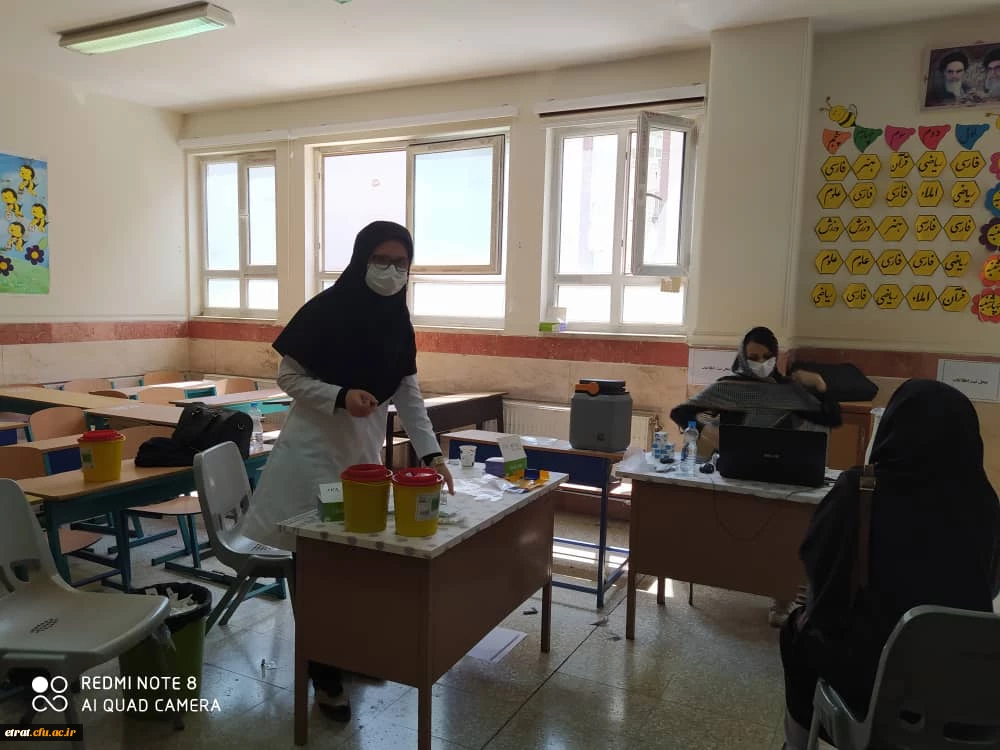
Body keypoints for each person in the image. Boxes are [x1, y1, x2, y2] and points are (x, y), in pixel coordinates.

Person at [243, 220, 455, 722]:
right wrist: (339, 396)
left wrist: (431, 454)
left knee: (353, 564)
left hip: (361, 459)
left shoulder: (397, 322)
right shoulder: (326, 310)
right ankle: (324, 673)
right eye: (381, 260)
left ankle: (347, 652)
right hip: (311, 457)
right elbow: (288, 376)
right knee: (314, 565)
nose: (391, 271)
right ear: (361, 260)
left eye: (401, 263)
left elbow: (408, 394)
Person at [779, 380, 1000, 750]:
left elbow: (820, 568)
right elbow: (990, 586)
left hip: (874, 684)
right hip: (967, 689)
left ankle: (797, 744)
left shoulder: (860, 490)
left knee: (796, 632)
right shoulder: (987, 505)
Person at [670, 327, 843, 626]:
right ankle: (725, 576)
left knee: (782, 540)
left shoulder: (790, 390)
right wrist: (709, 432)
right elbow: (681, 413)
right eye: (753, 357)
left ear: (776, 356)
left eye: (766, 356)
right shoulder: (730, 387)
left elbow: (832, 417)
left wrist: (820, 386)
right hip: (737, 474)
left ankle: (782, 598)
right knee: (733, 536)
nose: (760, 362)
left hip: (784, 478)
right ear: (742, 356)